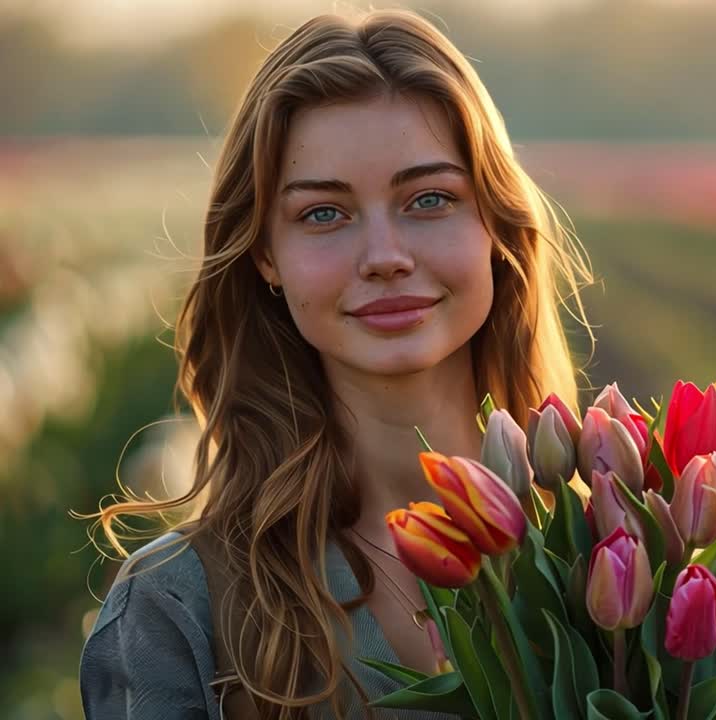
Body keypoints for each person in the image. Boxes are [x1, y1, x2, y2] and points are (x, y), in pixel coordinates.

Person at [78, 8, 595, 719]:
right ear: (266, 255)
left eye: (430, 199)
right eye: (324, 213)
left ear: (496, 228)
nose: (385, 255)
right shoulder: (182, 607)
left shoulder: (618, 564)